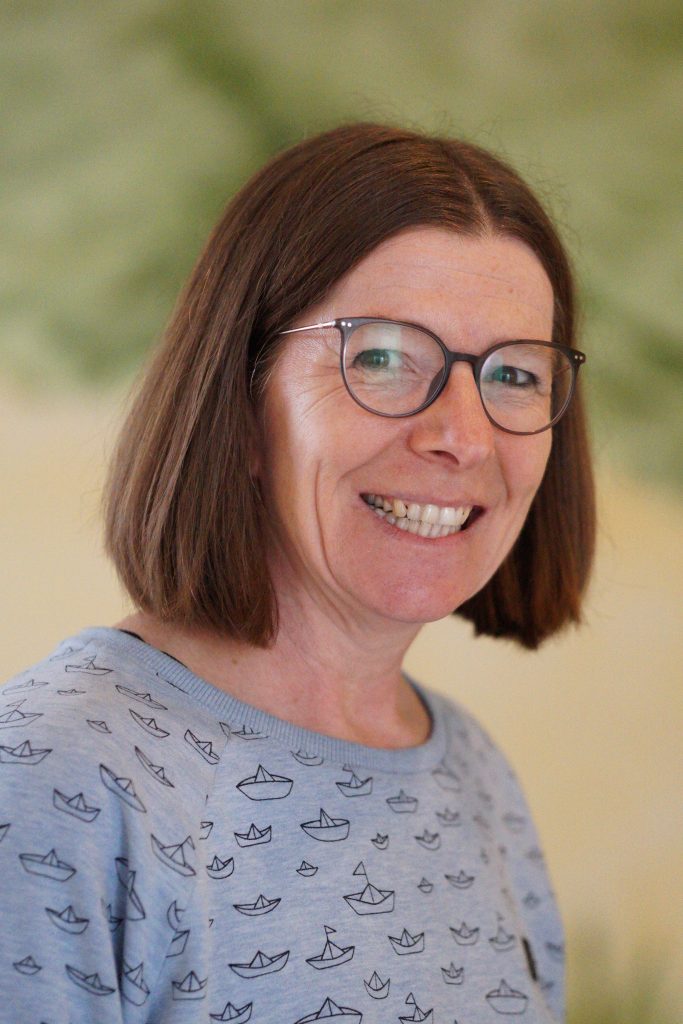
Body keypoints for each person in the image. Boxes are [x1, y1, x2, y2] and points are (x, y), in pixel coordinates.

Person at [0, 123, 594, 1024]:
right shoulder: (53, 783)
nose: (464, 438)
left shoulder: (472, 775)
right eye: (383, 358)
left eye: (514, 375)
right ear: (241, 400)